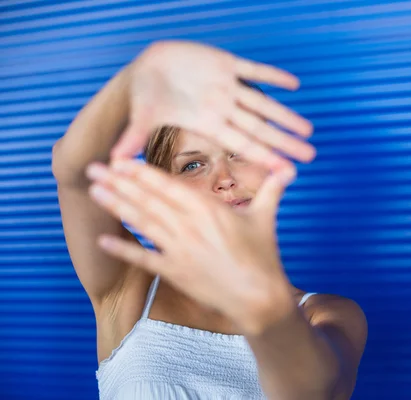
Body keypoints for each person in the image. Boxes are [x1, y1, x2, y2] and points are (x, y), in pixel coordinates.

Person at [51, 40, 368, 400]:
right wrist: (140, 77)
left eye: (240, 151)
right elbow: (74, 171)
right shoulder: (126, 287)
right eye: (193, 164)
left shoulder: (327, 314)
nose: (225, 178)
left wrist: (263, 305)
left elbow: (315, 391)